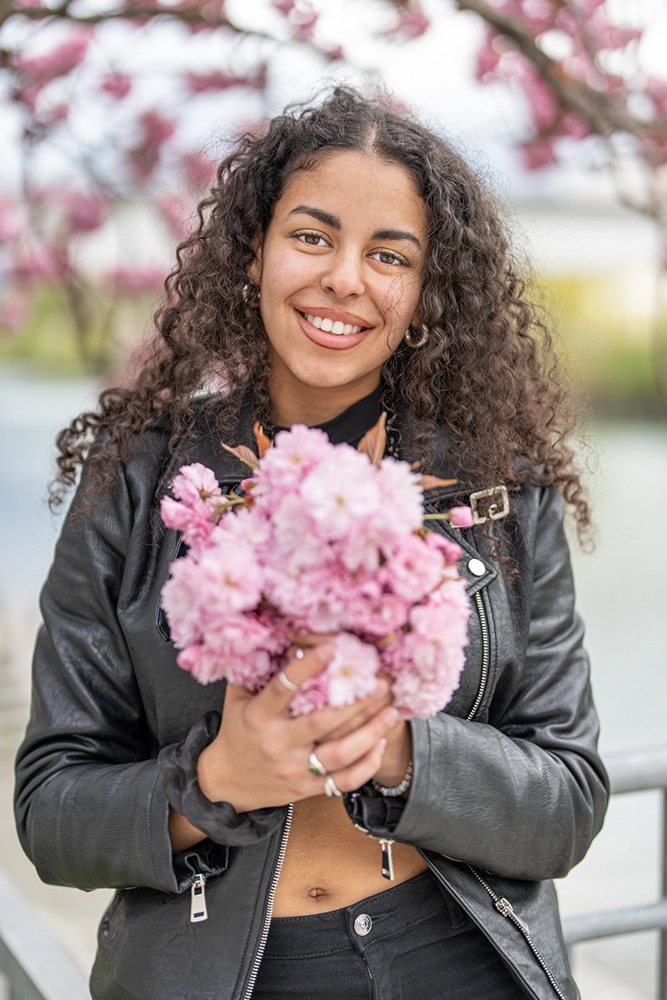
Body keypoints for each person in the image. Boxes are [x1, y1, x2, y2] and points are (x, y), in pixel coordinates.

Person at [14, 88, 608, 1000]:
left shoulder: (498, 488)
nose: (344, 279)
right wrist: (216, 779)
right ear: (252, 254)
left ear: (422, 295)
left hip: (456, 961)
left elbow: (566, 802)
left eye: (388, 255)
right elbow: (53, 815)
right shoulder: (136, 479)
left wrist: (399, 749)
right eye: (311, 236)